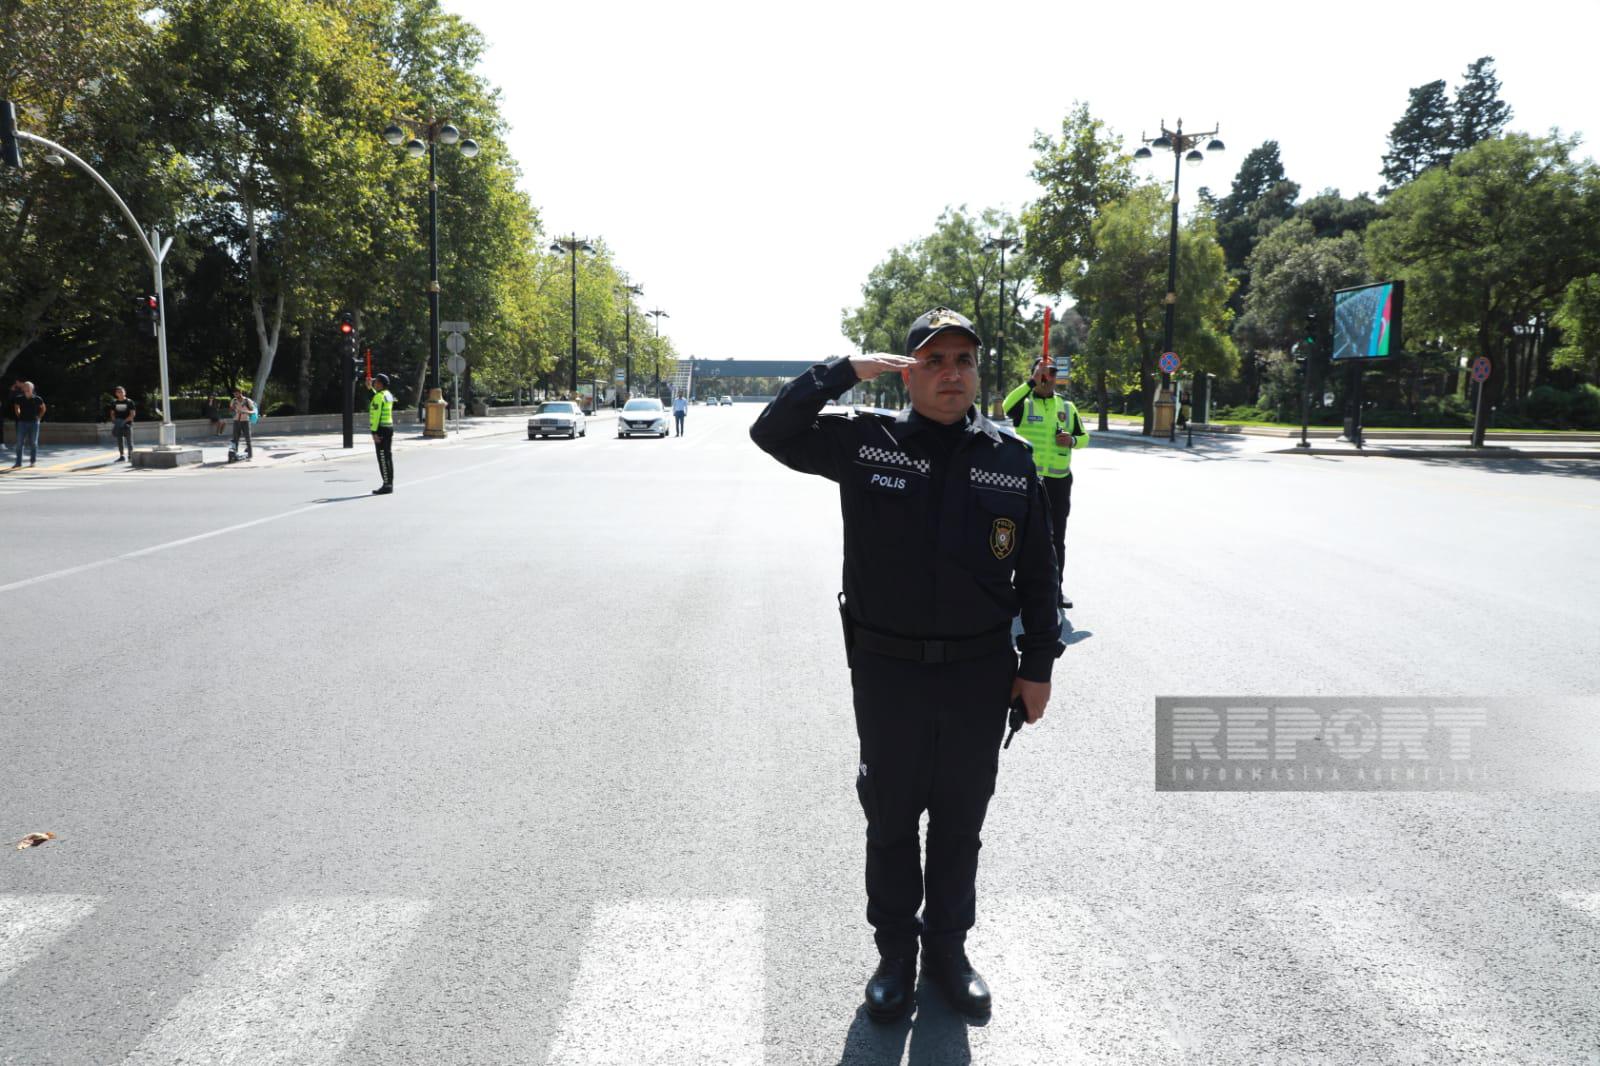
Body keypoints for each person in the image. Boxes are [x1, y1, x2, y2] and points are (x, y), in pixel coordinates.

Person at [750, 307, 1061, 1023]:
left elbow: (1040, 574)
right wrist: (844, 371)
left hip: (980, 673)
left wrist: (1039, 665)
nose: (951, 373)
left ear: (978, 372)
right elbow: (773, 432)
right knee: (891, 817)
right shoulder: (867, 442)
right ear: (907, 373)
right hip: (889, 673)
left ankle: (948, 951)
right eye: (933, 360)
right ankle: (896, 954)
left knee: (960, 819)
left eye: (963, 360)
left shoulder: (1011, 459)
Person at [1003, 358, 1089, 611]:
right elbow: (1007, 406)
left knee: (1056, 538)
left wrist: (1072, 441)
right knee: (1018, 536)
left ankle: (1056, 589)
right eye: (1041, 372)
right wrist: (1030, 382)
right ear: (1033, 376)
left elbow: (1084, 438)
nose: (1046, 377)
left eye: (1051, 373)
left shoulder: (1067, 406)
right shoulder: (1024, 403)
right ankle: (1014, 589)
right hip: (1026, 480)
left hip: (1058, 482)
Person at [369, 373, 395, 495]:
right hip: (388, 427)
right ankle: (389, 483)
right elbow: (378, 396)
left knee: (382, 457)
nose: (374, 383)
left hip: (381, 429)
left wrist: (374, 432)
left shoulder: (379, 397)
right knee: (388, 457)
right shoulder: (388, 394)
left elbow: (376, 416)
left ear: (380, 384)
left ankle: (386, 485)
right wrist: (371, 388)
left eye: (375, 382)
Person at [11, 381, 46, 468]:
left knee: (33, 442)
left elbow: (43, 408)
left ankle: (32, 462)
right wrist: (19, 415)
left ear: (32, 389)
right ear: (23, 389)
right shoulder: (19, 398)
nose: (26, 389)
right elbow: (16, 407)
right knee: (19, 443)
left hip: (34, 423)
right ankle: (18, 463)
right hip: (22, 423)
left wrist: (39, 417)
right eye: (25, 387)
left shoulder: (37, 399)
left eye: (28, 387)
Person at [107, 386, 137, 461]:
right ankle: (122, 456)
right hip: (118, 424)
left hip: (127, 424)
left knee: (129, 441)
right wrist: (115, 421)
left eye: (122, 392)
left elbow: (132, 414)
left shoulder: (129, 402)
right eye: (118, 392)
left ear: (125, 392)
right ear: (116, 394)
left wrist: (124, 421)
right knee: (119, 441)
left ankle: (131, 456)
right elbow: (112, 413)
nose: (120, 393)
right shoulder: (114, 402)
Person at [228, 387, 255, 461]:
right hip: (236, 421)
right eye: (234, 394)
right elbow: (231, 410)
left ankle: (250, 456)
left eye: (237, 393)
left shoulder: (247, 400)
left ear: (240, 393)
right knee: (235, 439)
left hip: (245, 421)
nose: (235, 395)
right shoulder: (234, 401)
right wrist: (232, 409)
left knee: (248, 439)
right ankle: (234, 455)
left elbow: (253, 411)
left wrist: (245, 412)